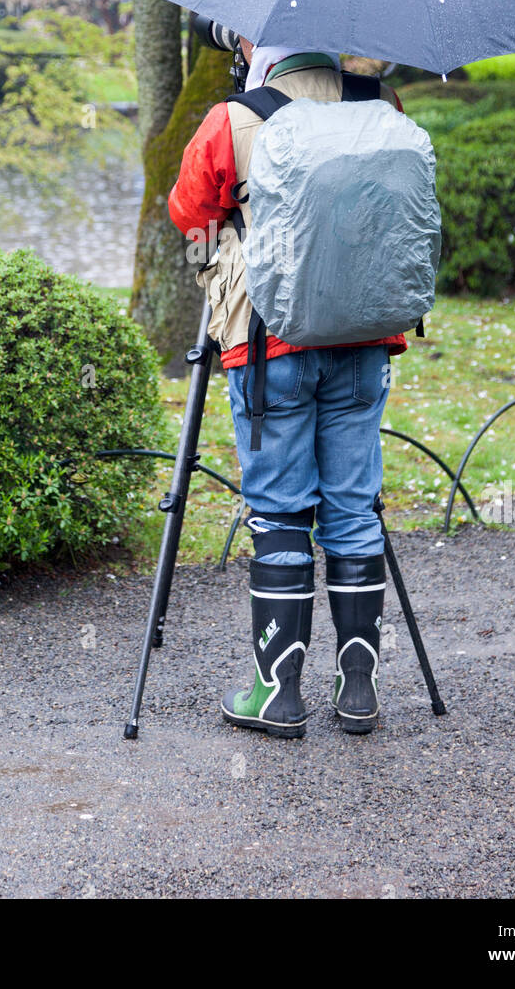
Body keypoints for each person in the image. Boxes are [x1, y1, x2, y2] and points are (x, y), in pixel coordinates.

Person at [168, 39, 408, 738]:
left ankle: (277, 693)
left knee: (278, 509)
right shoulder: (382, 106)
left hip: (268, 343)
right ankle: (358, 691)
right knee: (354, 507)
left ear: (253, 47)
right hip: (363, 337)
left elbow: (192, 217)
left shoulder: (232, 119)